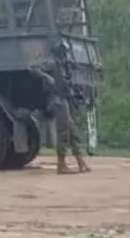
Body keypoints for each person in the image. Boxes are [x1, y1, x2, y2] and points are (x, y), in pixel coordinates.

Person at [29, 42, 91, 175]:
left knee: (72, 131)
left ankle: (81, 162)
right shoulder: (51, 63)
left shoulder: (62, 65)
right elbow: (33, 68)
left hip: (63, 100)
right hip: (56, 101)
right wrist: (47, 77)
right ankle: (61, 164)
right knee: (64, 132)